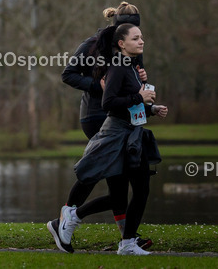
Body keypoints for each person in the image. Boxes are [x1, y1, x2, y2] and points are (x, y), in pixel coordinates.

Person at [49, 23, 168, 256]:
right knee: (109, 183)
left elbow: (129, 101)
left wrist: (151, 109)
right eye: (136, 38)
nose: (141, 41)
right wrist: (138, 95)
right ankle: (71, 215)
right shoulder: (117, 65)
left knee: (140, 189)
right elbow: (109, 102)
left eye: (142, 37)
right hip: (115, 132)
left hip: (132, 132)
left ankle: (127, 243)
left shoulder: (131, 65)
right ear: (121, 43)